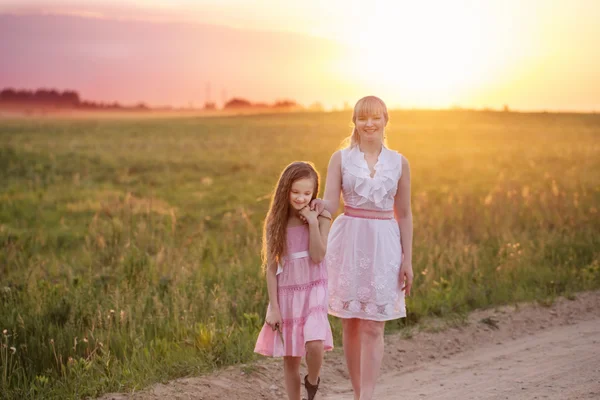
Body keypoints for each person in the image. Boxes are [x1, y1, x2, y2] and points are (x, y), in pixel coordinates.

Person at [311, 96, 414, 400]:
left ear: (385, 120)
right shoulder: (340, 159)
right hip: (349, 241)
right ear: (354, 123)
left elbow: (405, 214)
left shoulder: (399, 162)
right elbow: (330, 204)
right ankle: (357, 392)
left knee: (373, 325)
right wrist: (313, 209)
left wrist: (408, 259)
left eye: (375, 118)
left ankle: (366, 396)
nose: (369, 124)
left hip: (384, 243)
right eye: (362, 119)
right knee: (352, 322)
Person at [254, 161, 334, 400]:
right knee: (291, 359)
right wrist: (274, 309)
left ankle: (312, 380)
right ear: (285, 190)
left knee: (315, 342)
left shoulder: (322, 215)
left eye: (307, 193)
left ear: (314, 192)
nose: (301, 198)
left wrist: (311, 221)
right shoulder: (275, 223)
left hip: (314, 287)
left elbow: (318, 256)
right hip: (287, 292)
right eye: (295, 192)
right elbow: (271, 268)